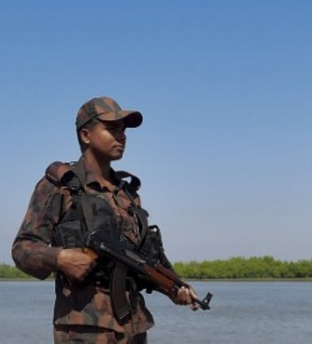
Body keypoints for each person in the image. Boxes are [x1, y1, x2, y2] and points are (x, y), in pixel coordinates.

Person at [12, 96, 200, 344]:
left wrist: (173, 288)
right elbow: (22, 249)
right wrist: (60, 258)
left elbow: (139, 262)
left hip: (134, 327)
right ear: (86, 135)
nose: (121, 136)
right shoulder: (60, 187)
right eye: (111, 129)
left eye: (123, 130)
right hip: (85, 329)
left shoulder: (128, 195)